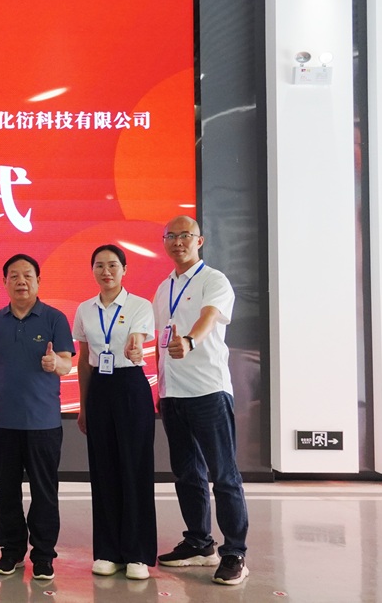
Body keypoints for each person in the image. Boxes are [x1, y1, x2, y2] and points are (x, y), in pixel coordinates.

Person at [152, 216, 249, 586]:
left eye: (185, 236)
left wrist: (190, 341)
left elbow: (209, 317)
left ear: (200, 240)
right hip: (173, 395)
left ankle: (235, 552)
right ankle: (199, 543)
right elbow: (162, 339)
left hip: (208, 391)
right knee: (187, 474)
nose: (178, 242)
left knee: (223, 475)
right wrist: (160, 386)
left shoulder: (214, 280)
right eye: (171, 236)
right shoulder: (163, 288)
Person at [0, 253, 73, 581]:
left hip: (43, 423)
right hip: (4, 422)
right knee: (7, 492)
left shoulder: (55, 318)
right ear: (4, 282)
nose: (21, 281)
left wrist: (55, 364)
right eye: (14, 276)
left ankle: (43, 555)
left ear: (38, 281)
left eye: (27, 275)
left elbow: (66, 363)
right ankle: (12, 551)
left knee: (45, 492)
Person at [72, 245, 156, 580]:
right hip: (99, 388)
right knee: (103, 468)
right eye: (99, 266)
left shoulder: (140, 306)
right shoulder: (84, 309)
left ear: (124, 269)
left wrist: (134, 347)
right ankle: (108, 551)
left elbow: (137, 338)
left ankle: (137, 554)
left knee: (134, 467)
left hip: (130, 384)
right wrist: (83, 405)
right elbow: (83, 360)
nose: (106, 272)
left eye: (112, 265)